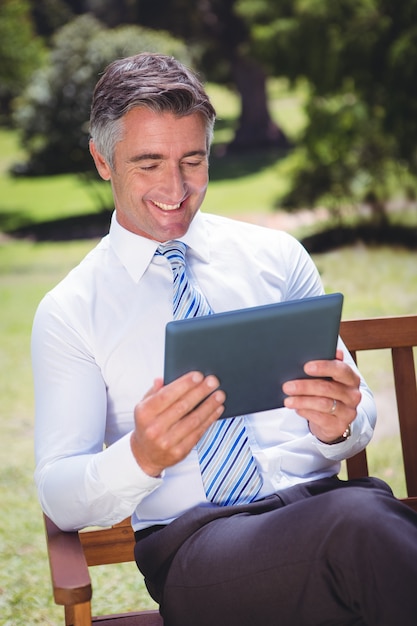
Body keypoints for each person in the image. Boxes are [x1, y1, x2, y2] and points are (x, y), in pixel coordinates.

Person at [32, 53, 417, 626]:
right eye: (149, 163)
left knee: (361, 530)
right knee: (364, 532)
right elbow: (59, 494)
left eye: (194, 159)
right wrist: (141, 456)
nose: (176, 187)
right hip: (199, 547)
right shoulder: (71, 310)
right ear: (101, 160)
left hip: (328, 508)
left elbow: (355, 415)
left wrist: (340, 422)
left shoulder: (276, 258)